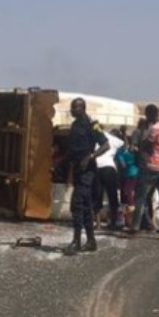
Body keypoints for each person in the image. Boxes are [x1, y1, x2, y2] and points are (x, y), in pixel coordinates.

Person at [62, 97, 111, 255]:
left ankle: (76, 242)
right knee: (85, 206)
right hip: (77, 169)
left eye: (75, 108)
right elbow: (72, 150)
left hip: (88, 171)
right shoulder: (75, 125)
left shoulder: (92, 125)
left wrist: (91, 157)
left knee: (76, 204)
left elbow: (105, 145)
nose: (72, 110)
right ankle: (91, 241)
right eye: (71, 108)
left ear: (82, 108)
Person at [129, 104, 159, 241]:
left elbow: (146, 146)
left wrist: (138, 150)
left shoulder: (153, 129)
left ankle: (135, 227)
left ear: (148, 115)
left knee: (140, 197)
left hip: (151, 167)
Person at [93, 133, 122, 230]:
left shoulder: (95, 136)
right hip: (110, 168)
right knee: (112, 196)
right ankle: (113, 223)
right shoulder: (114, 139)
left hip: (97, 167)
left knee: (97, 195)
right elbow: (122, 143)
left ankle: (98, 224)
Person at [115, 139, 139, 228]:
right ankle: (126, 218)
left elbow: (122, 164)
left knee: (127, 194)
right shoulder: (124, 153)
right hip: (129, 175)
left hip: (130, 175)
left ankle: (129, 218)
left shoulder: (121, 153)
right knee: (126, 195)